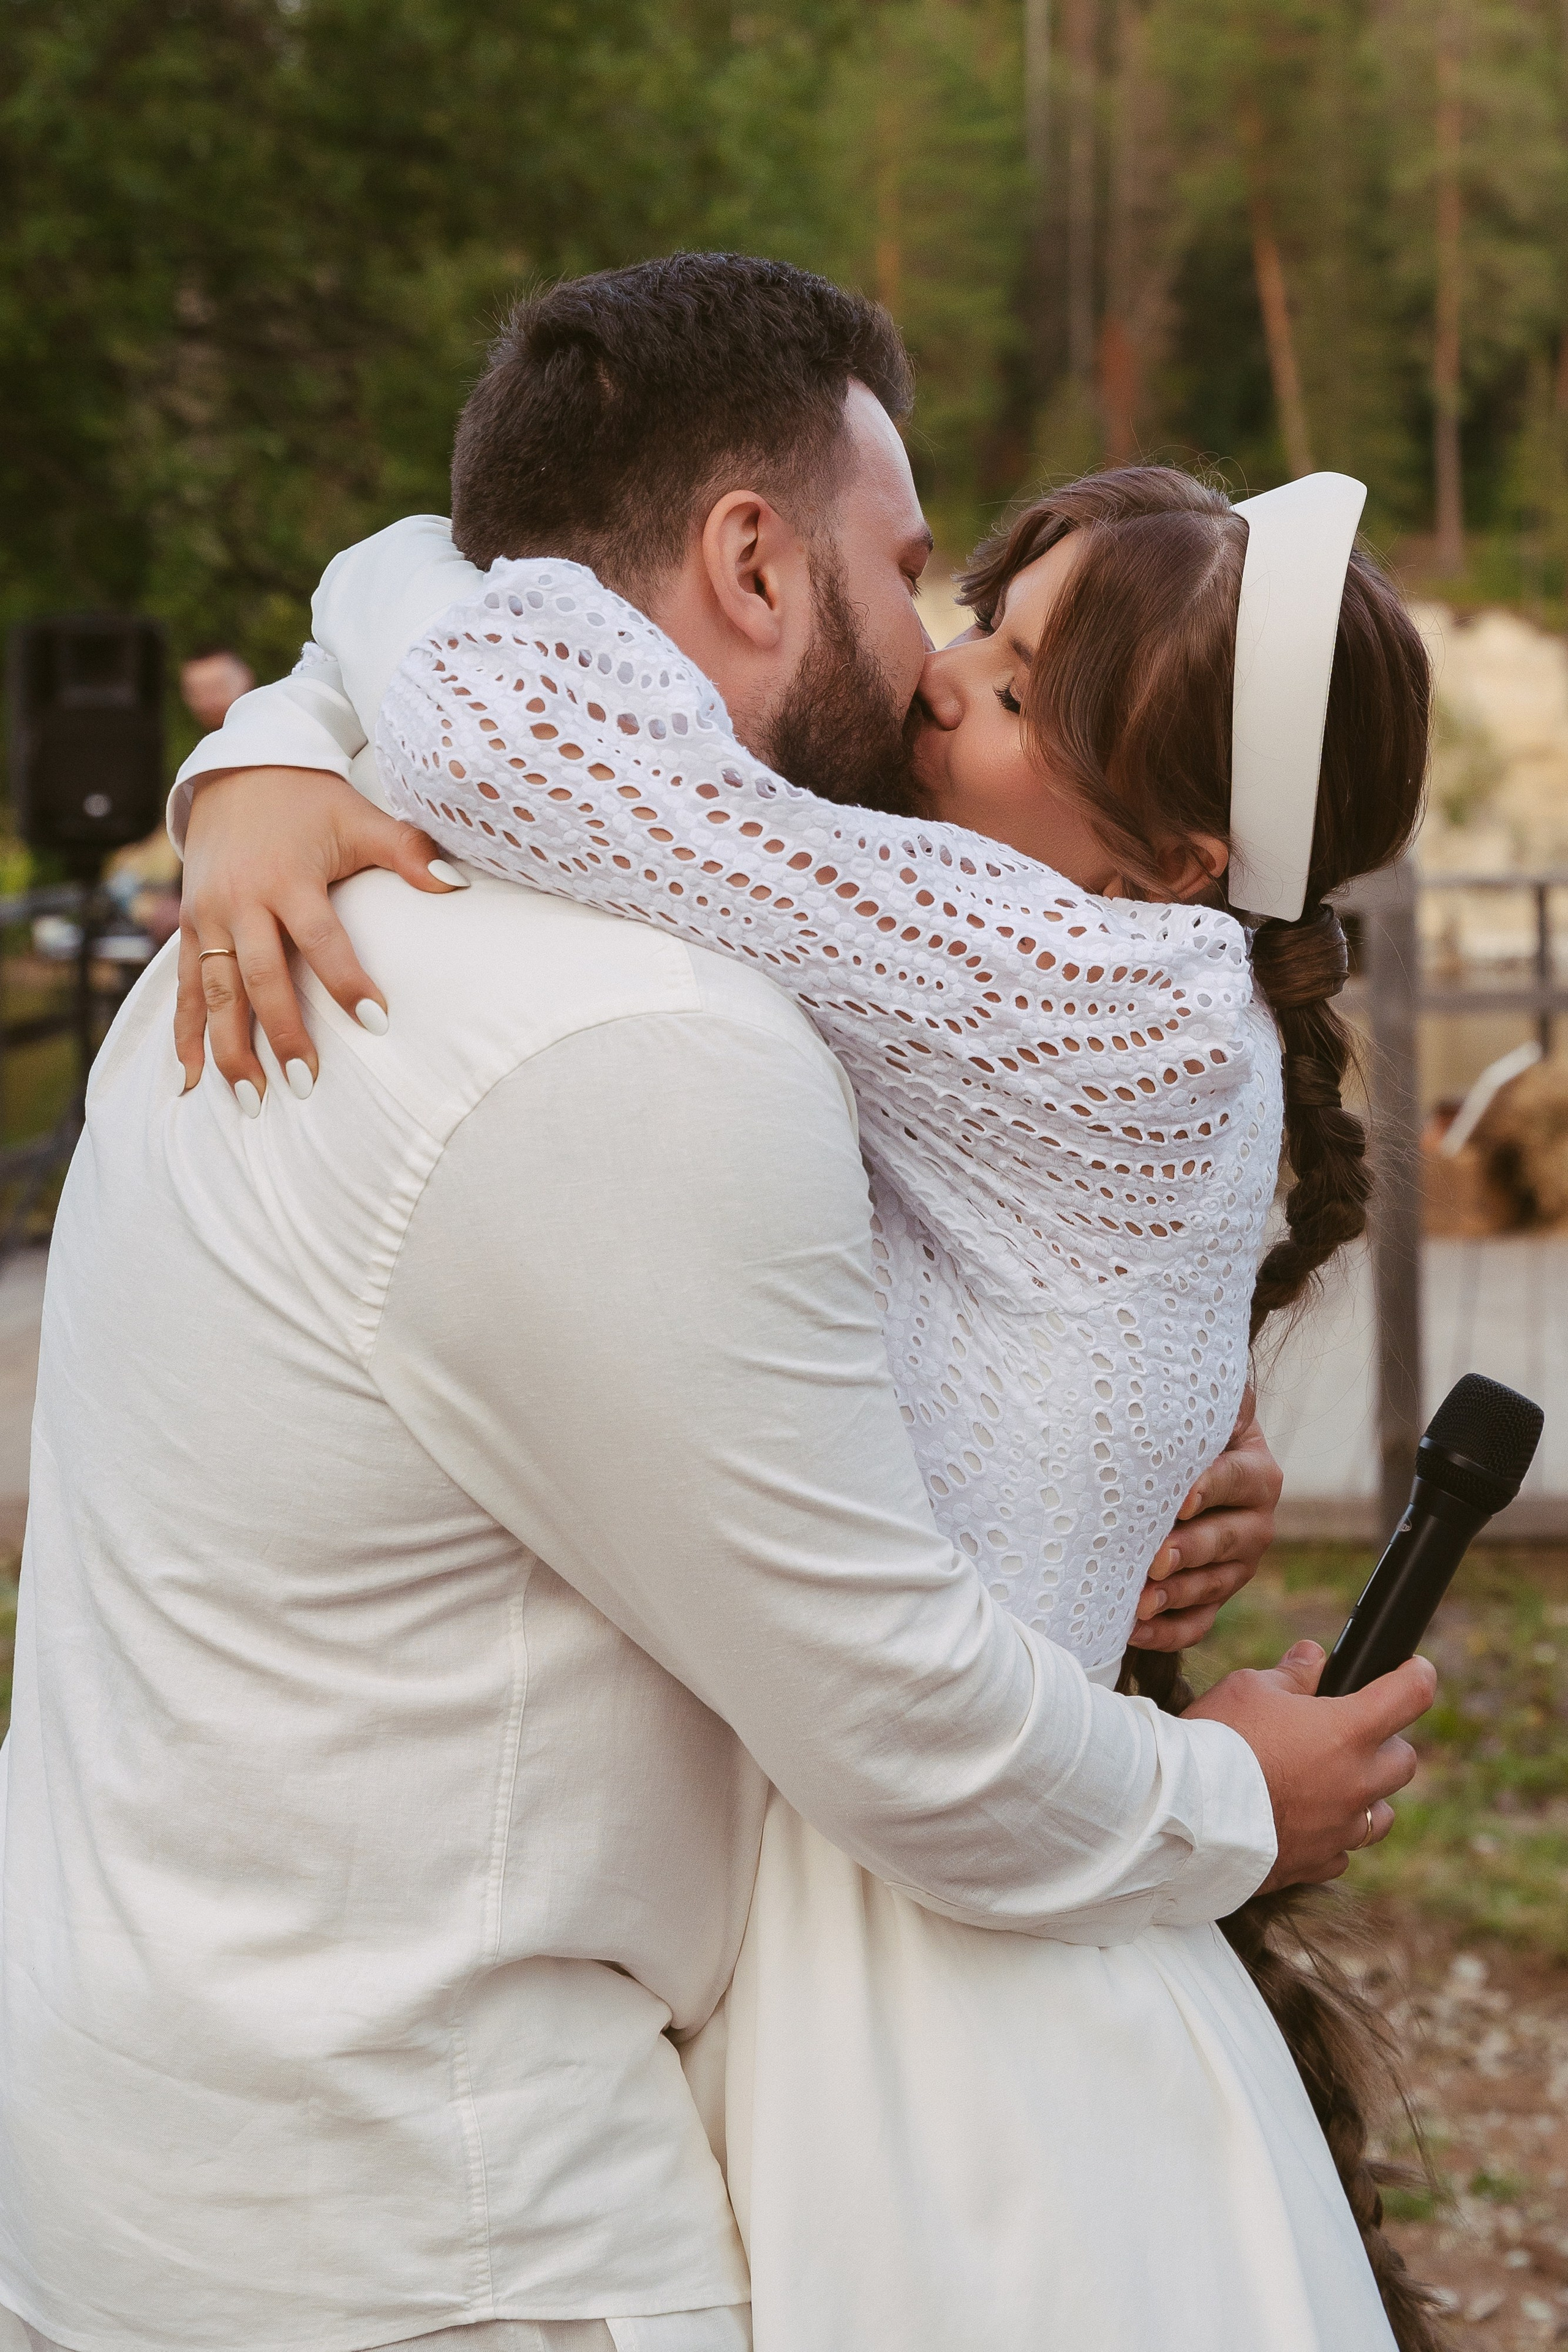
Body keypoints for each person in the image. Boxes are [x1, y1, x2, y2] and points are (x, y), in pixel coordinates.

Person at [0, 258, 1420, 2352]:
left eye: (1011, 668)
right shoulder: (646, 1034)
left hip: (195, 2155)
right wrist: (1228, 1799)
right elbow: (900, 1711)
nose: (939, 663)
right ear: (754, 563)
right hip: (444, 2231)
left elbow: (486, 653)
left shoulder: (256, 963)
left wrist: (270, 750)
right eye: (925, 579)